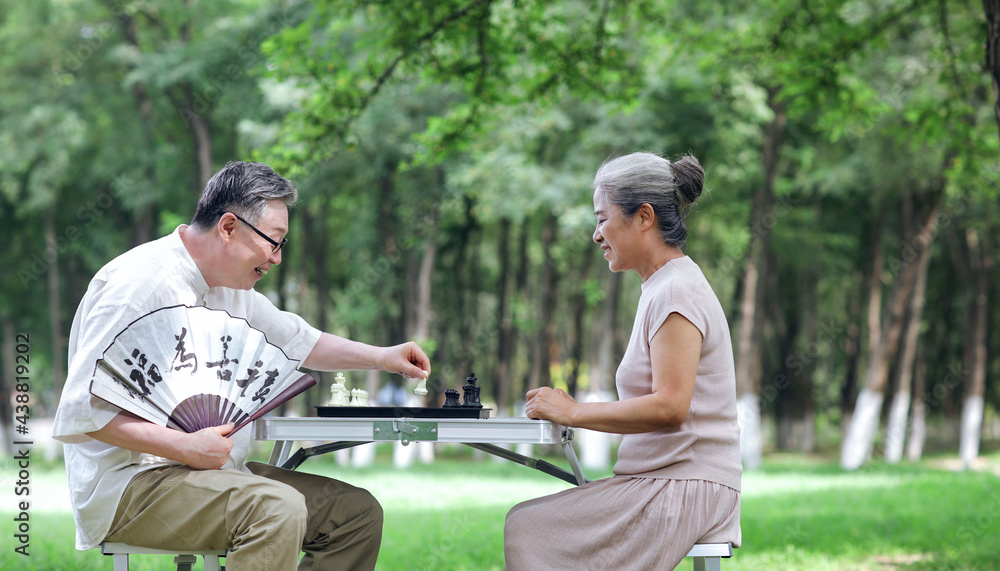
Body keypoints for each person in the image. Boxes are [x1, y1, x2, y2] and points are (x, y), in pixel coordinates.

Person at [53, 161, 431, 571]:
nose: (277, 258)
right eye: (275, 241)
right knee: (276, 508)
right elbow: (81, 415)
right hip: (127, 484)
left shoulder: (230, 288)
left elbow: (301, 341)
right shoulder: (137, 286)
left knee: (354, 514)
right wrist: (185, 447)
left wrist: (382, 357)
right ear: (229, 227)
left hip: (211, 474)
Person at [504, 152, 741, 570]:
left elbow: (670, 406)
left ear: (644, 216)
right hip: (668, 478)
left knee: (529, 527)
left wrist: (574, 412)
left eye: (602, 218)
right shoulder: (661, 285)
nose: (596, 235)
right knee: (526, 522)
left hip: (686, 484)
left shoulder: (676, 291)